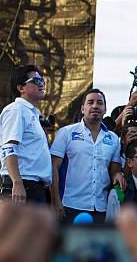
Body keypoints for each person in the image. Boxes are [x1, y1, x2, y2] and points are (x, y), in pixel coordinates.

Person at [50, 89, 125, 223]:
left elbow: (114, 169)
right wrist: (55, 201)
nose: (95, 106)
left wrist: (117, 174)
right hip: (70, 205)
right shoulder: (66, 133)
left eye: (100, 103)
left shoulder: (113, 138)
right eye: (90, 102)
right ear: (82, 108)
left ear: (105, 109)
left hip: (101, 208)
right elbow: (53, 167)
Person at [0, 65, 52, 204]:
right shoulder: (16, 110)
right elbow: (9, 147)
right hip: (23, 184)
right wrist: (17, 182)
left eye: (43, 81)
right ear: (21, 88)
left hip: (35, 186)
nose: (42, 85)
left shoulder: (32, 113)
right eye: (36, 81)